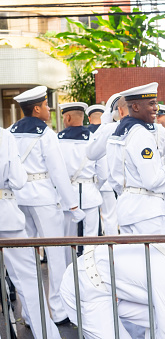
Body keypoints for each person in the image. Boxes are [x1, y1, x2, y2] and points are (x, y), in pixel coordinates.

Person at [10, 86, 85, 325]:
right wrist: (73, 205)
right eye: (45, 104)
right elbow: (58, 173)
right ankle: (59, 310)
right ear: (36, 108)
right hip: (43, 197)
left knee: (25, 258)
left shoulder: (9, 132)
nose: (49, 108)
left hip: (18, 198)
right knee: (55, 255)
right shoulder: (46, 134)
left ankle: (32, 315)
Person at [0, 126, 61, 339]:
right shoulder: (3, 136)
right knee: (29, 281)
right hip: (6, 217)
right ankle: (46, 335)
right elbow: (18, 180)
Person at [106, 83, 165, 235]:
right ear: (136, 107)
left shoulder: (116, 134)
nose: (156, 108)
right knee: (157, 258)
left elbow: (113, 178)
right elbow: (152, 181)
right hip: (149, 213)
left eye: (156, 103)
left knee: (133, 258)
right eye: (151, 104)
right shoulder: (142, 134)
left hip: (126, 208)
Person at [58, 102, 107, 242]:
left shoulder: (57, 140)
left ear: (67, 117)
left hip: (66, 197)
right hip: (90, 194)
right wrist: (93, 186)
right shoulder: (94, 139)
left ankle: (70, 264)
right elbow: (103, 173)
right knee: (91, 241)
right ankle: (89, 264)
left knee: (68, 241)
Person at [86, 93, 126, 235]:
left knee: (106, 218)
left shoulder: (105, 129)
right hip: (112, 183)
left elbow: (91, 154)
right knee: (111, 217)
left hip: (98, 182)